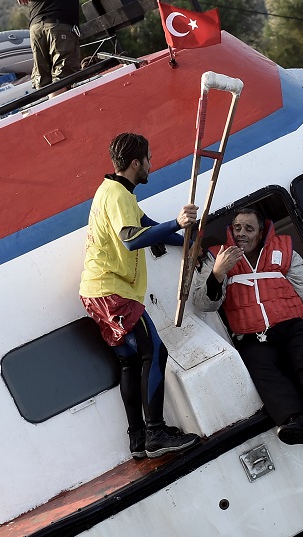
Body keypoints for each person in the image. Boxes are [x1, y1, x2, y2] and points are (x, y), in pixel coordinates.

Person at [79, 132, 201, 459]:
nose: (151, 164)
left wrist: (186, 240)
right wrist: (178, 221)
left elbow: (147, 225)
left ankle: (137, 440)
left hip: (98, 293)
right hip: (113, 292)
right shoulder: (117, 196)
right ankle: (156, 433)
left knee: (131, 362)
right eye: (148, 158)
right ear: (136, 163)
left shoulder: (117, 193)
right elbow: (132, 239)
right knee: (155, 353)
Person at [191, 207, 303, 446]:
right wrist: (218, 272)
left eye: (249, 228)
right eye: (237, 228)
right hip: (253, 336)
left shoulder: (284, 251)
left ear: (261, 232)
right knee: (265, 373)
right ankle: (294, 422)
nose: (242, 233)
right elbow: (203, 303)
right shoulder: (216, 257)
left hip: (294, 326)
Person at [16, 0, 81, 89]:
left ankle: (49, 101)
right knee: (64, 77)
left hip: (36, 27)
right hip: (58, 24)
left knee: (42, 79)